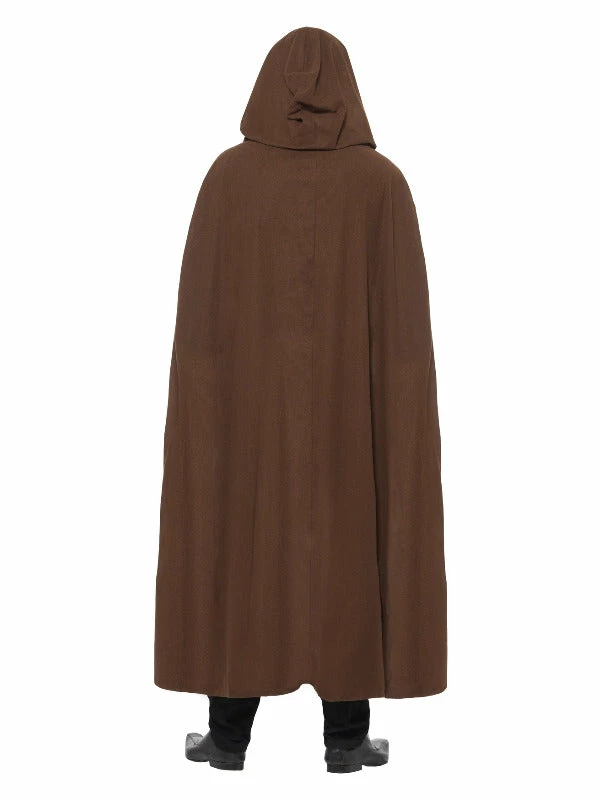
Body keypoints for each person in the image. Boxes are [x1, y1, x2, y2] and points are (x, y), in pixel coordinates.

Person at [154, 27, 447, 774]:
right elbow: (405, 339)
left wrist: (211, 416)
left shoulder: (228, 179)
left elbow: (202, 328)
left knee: (241, 546)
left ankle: (228, 739)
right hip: (351, 418)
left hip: (249, 420)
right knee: (349, 547)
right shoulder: (381, 185)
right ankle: (345, 741)